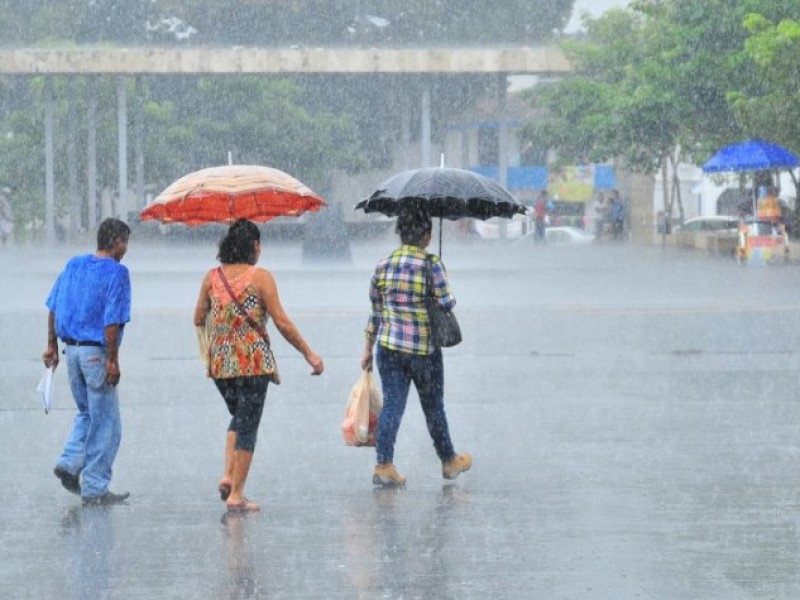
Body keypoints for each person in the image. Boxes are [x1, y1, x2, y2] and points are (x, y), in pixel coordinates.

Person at [194, 219, 324, 513]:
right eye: (259, 244)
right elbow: (282, 322)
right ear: (253, 246)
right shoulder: (260, 278)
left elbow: (199, 318)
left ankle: (228, 475)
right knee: (248, 425)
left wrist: (224, 322)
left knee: (239, 417)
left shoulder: (211, 277)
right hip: (252, 363)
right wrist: (309, 353)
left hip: (220, 366)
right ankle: (237, 494)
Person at [361, 203, 472, 487]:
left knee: (393, 406)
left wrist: (367, 348)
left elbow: (376, 311)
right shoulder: (430, 263)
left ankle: (384, 464)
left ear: (401, 232)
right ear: (426, 233)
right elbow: (447, 303)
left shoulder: (383, 265)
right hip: (424, 350)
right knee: (433, 406)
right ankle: (448, 460)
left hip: (388, 348)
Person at [43, 218, 132, 506]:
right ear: (116, 241)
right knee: (107, 425)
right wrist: (113, 360)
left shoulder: (74, 265)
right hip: (96, 353)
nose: (125, 250)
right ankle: (94, 487)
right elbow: (112, 320)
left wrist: (51, 346)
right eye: (124, 243)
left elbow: (54, 307)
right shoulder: (117, 273)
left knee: (87, 414)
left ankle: (69, 463)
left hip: (73, 353)